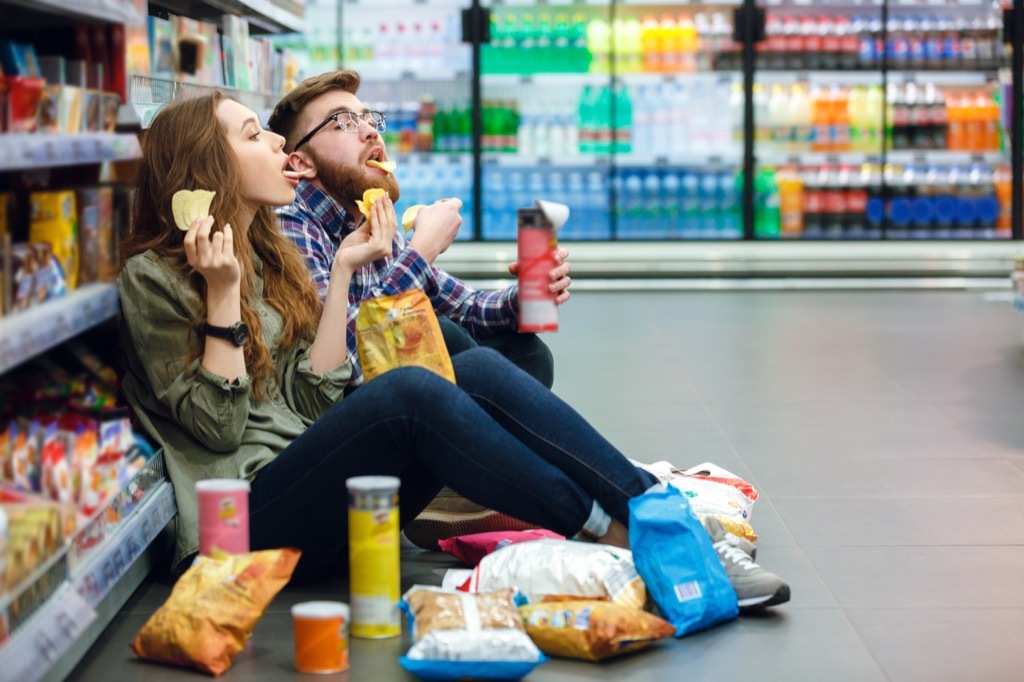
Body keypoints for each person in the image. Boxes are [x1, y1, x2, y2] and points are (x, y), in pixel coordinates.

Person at [116, 93, 790, 609]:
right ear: (208, 169)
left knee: (467, 364)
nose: (274, 143)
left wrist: (349, 269)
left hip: (312, 480)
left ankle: (652, 512)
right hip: (239, 528)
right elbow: (222, 426)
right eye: (251, 134)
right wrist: (222, 296)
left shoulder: (267, 252)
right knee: (414, 389)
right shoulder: (156, 278)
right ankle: (626, 537)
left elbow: (310, 395)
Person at [265, 70, 568, 392]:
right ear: (301, 163)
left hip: (400, 393)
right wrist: (422, 250)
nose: (370, 132)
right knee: (446, 335)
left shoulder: (368, 218)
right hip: (351, 411)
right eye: (343, 122)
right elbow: (344, 368)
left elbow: (467, 307)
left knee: (527, 352)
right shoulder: (291, 224)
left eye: (369, 119)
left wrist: (526, 295)